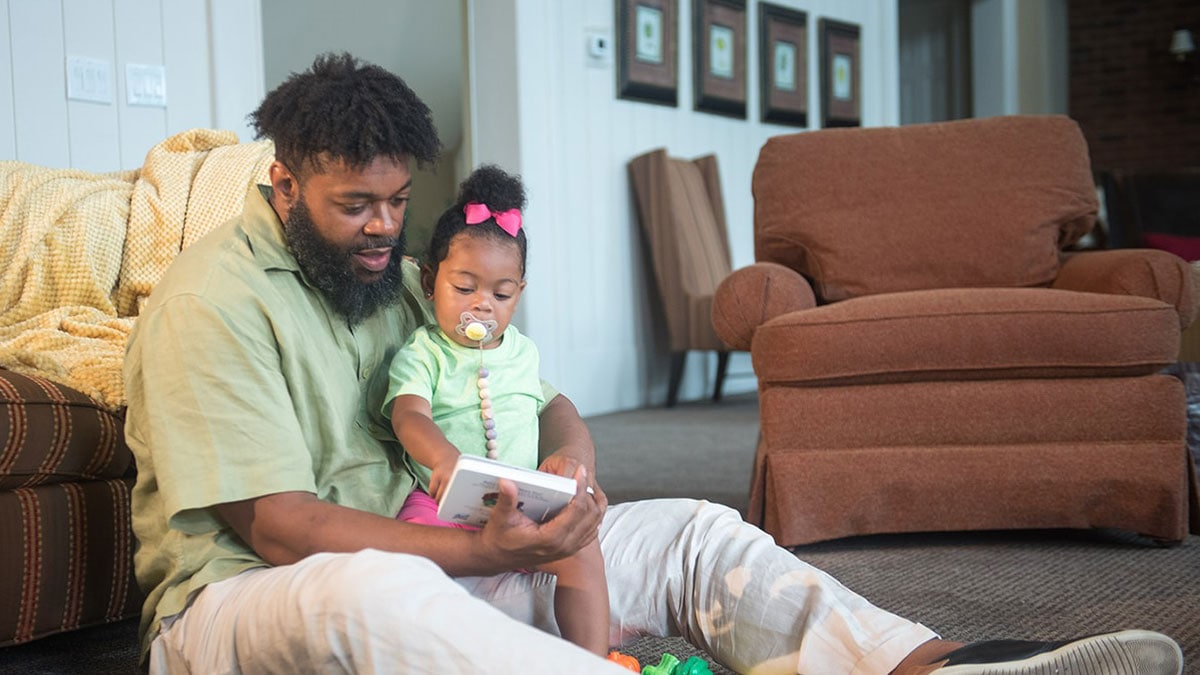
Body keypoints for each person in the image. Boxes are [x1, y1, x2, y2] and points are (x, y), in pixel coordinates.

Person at [122, 52, 1184, 675]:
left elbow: (541, 392)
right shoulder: (212, 303)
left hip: (439, 553)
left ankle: (916, 668)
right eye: (355, 204)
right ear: (279, 184)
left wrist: (573, 458)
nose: (384, 229)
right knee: (371, 596)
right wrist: (485, 558)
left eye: (397, 203)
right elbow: (277, 527)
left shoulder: (396, 273)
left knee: (692, 527)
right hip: (249, 599)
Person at [386, 164, 610, 656]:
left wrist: (566, 464)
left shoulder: (523, 354)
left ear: (518, 294)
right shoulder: (425, 352)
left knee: (581, 549)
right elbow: (409, 414)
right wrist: (443, 458)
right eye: (464, 288)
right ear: (429, 282)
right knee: (405, 565)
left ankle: (592, 661)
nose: (483, 306)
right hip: (441, 501)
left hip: (520, 500)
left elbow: (544, 411)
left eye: (501, 293)